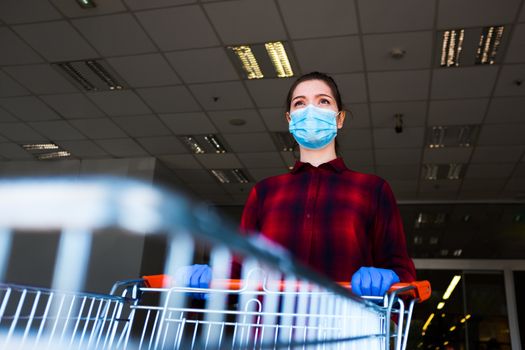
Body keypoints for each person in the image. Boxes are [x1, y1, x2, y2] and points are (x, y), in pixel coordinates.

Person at [180, 72, 416, 297]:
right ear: (289, 119)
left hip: (347, 330)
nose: (310, 110)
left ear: (340, 118)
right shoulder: (265, 192)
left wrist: (388, 277)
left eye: (323, 101)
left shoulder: (371, 189)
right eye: (300, 103)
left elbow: (400, 269)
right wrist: (212, 276)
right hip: (272, 333)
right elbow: (241, 268)